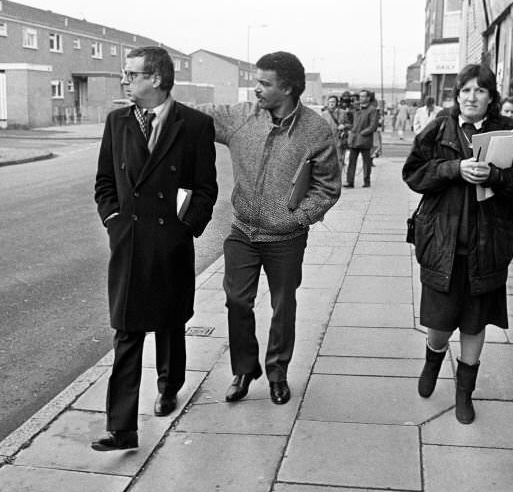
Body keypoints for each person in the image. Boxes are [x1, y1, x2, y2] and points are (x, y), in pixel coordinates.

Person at [91, 46, 219, 451]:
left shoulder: (194, 125)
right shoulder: (117, 121)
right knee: (126, 331)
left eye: (131, 74)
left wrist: (184, 229)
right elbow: (105, 182)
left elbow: (205, 189)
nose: (124, 81)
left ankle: (169, 386)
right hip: (128, 242)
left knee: (169, 323)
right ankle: (122, 427)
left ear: (157, 79)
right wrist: (113, 222)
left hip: (169, 241)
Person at [402, 64, 513, 425]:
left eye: (479, 91)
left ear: (491, 97)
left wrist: (496, 176)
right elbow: (413, 174)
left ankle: (465, 393)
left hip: (487, 245)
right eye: (465, 90)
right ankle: (433, 358)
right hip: (443, 242)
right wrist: (453, 170)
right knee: (439, 321)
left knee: (474, 322)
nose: (471, 97)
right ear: (457, 95)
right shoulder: (440, 128)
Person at [199, 52, 341, 405]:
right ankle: (244, 370)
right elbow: (194, 117)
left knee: (283, 306)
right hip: (243, 232)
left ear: (289, 88)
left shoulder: (316, 129)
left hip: (287, 238)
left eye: (264, 83)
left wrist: (298, 218)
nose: (256, 89)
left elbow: (328, 187)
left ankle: (278, 373)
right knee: (236, 300)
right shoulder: (241, 118)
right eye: (256, 81)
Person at [345, 89, 379, 188]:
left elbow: (373, 126)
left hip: (364, 139)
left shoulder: (372, 110)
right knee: (351, 162)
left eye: (363, 96)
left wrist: (363, 133)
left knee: (366, 162)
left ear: (368, 98)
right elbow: (350, 121)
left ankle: (366, 181)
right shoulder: (356, 108)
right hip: (354, 139)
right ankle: (350, 182)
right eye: (360, 96)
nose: (361, 98)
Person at [321, 94, 349, 172]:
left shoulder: (343, 113)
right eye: (330, 102)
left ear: (337, 103)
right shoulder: (324, 114)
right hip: (327, 140)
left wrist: (344, 126)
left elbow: (349, 124)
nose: (331, 103)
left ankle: (338, 179)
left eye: (333, 101)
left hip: (339, 140)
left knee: (339, 160)